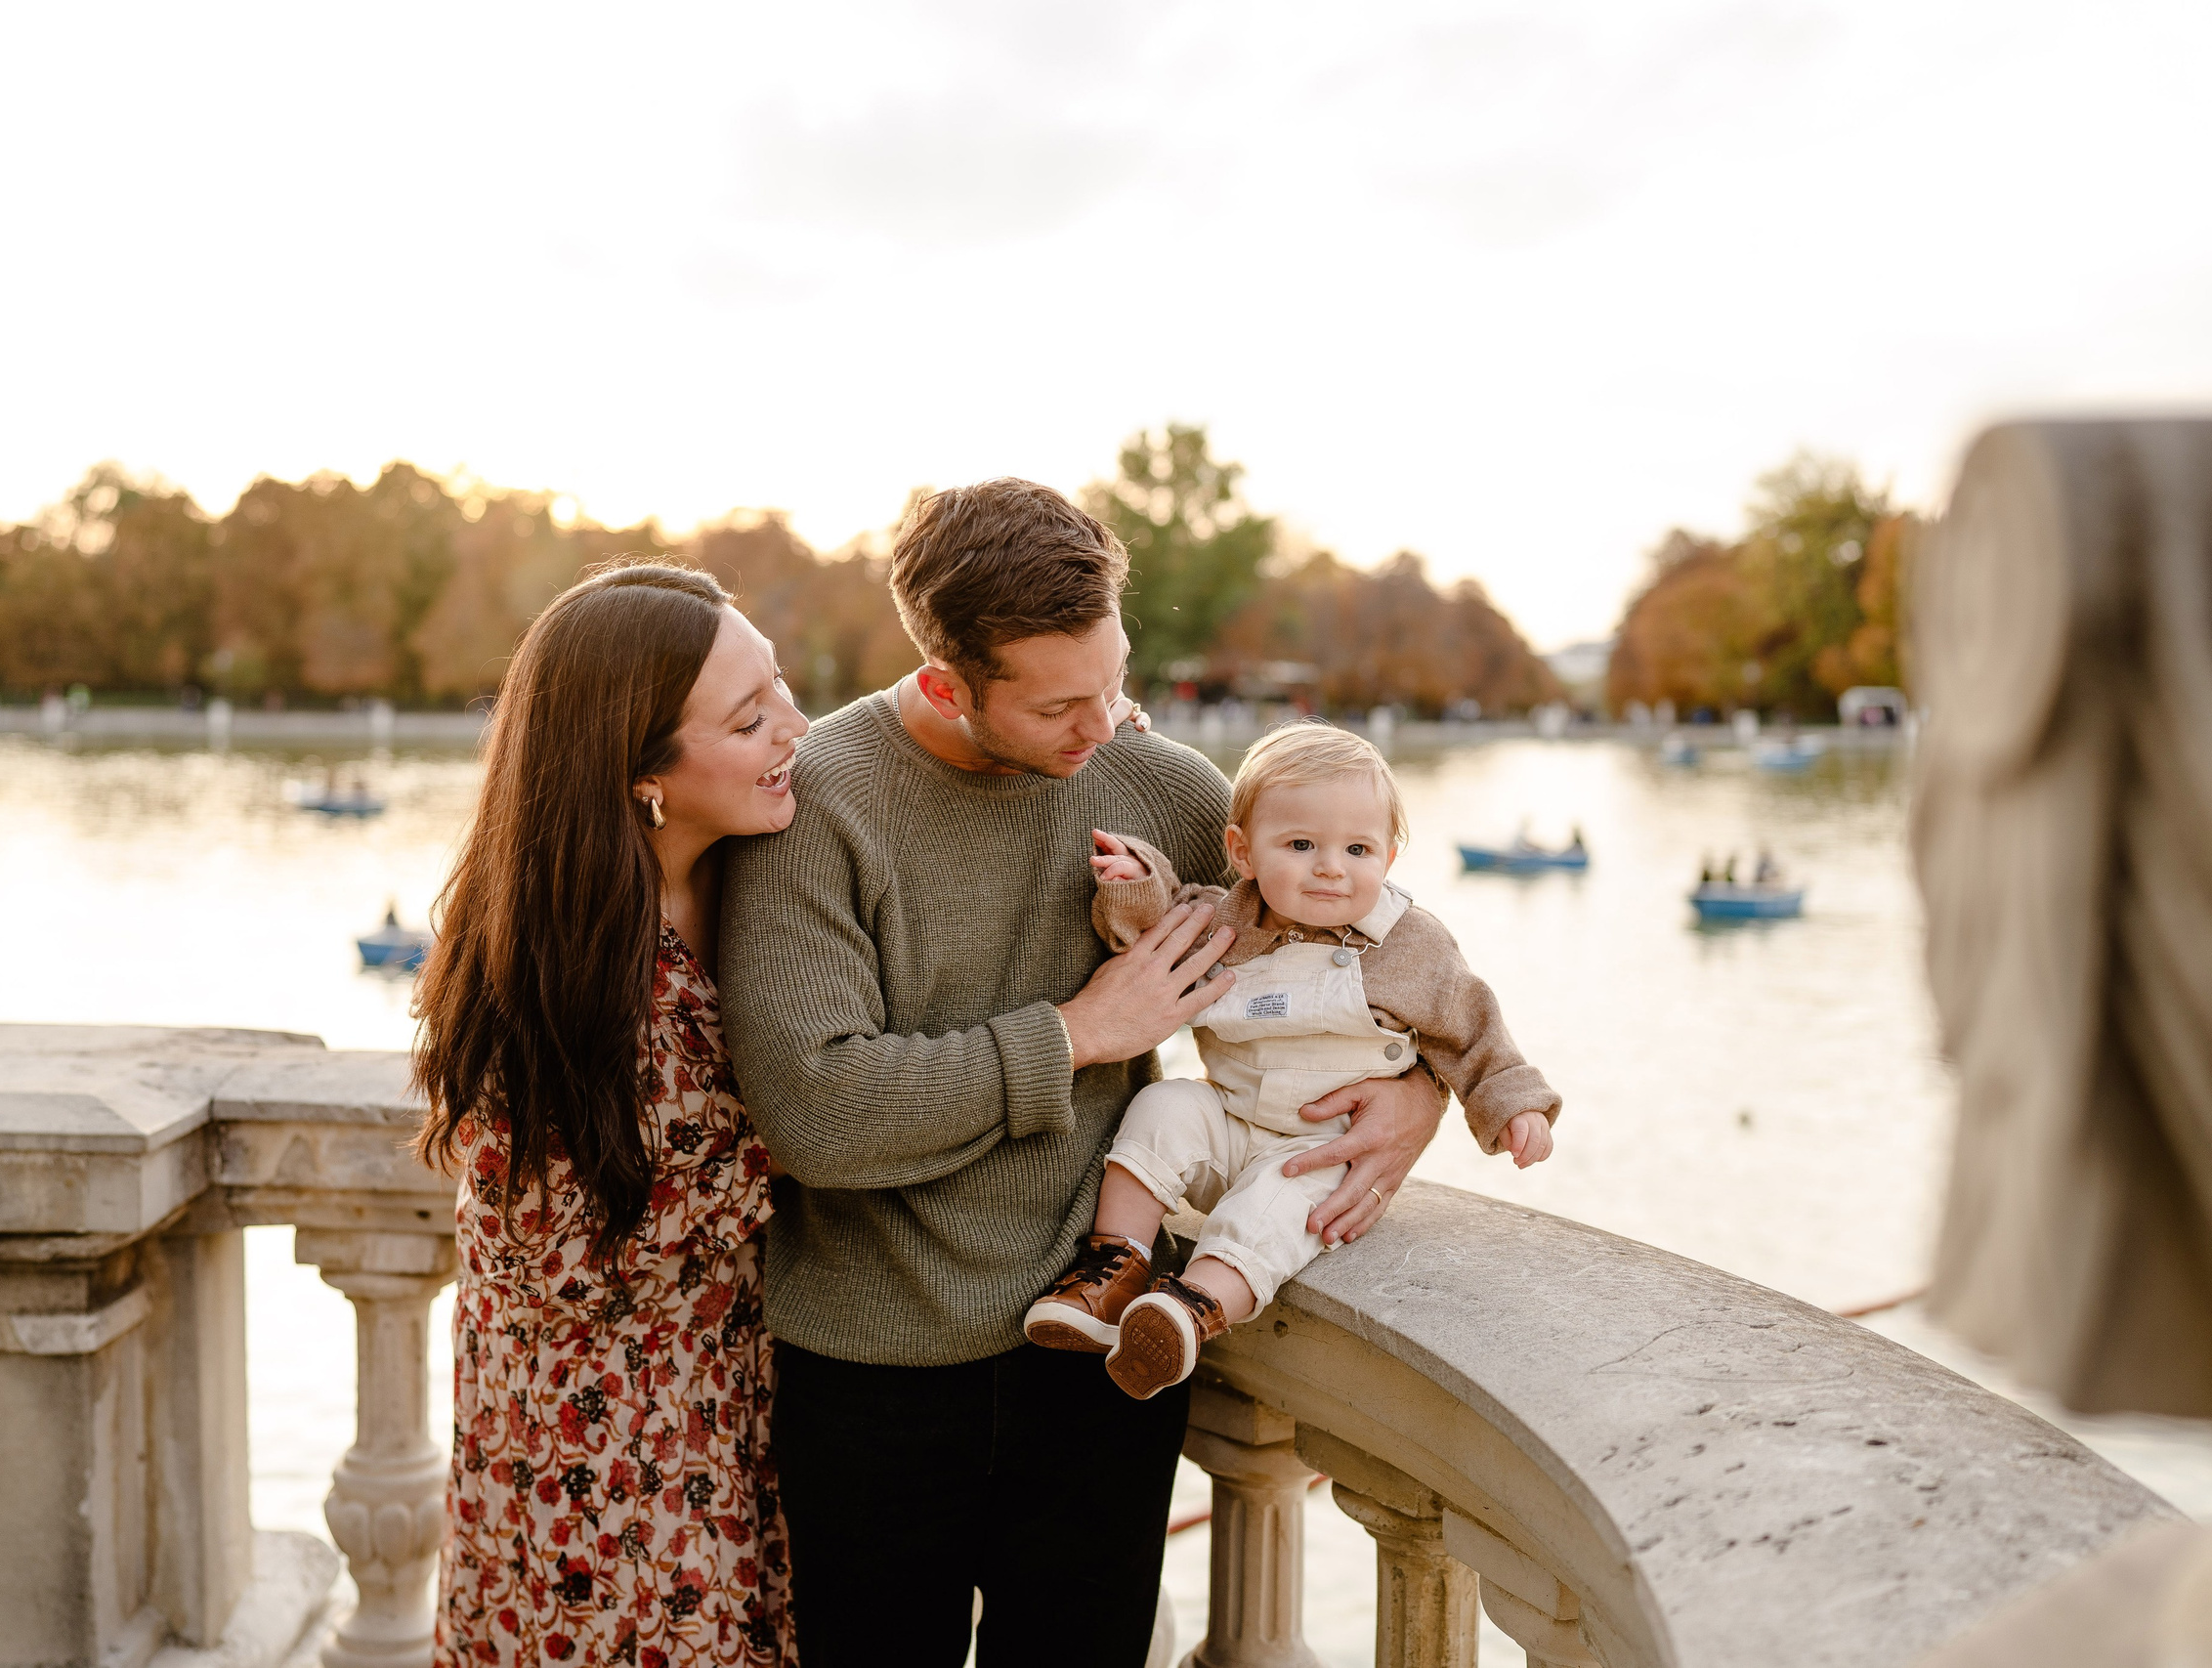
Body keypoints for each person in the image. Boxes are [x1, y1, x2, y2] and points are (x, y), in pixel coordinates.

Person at [718, 479, 1451, 1667]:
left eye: (1113, 679)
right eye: (1062, 702)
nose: (1106, 722)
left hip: (1101, 1354)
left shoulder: (1161, 787)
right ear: (949, 685)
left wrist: (1421, 1095)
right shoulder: (824, 805)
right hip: (869, 1374)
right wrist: (1080, 1033)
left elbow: (1374, 948)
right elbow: (819, 1112)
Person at [412, 564, 810, 1668]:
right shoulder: (541, 966)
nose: (796, 728)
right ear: (643, 773)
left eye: (779, 687)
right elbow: (563, 1252)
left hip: (731, 1420)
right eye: (750, 718)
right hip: (598, 1470)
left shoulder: (759, 872)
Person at [1026, 722, 1561, 1395]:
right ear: (1242, 852)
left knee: (1283, 1209)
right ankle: (1114, 1264)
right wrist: (1135, 882)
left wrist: (1516, 1107)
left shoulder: (1409, 944)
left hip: (1323, 1152)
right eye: (1301, 844)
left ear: (1389, 858)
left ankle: (1190, 1308)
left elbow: (1474, 1031)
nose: (1331, 866)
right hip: (1231, 1123)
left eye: (1357, 848)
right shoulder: (1228, 922)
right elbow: (1157, 929)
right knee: (1164, 1105)